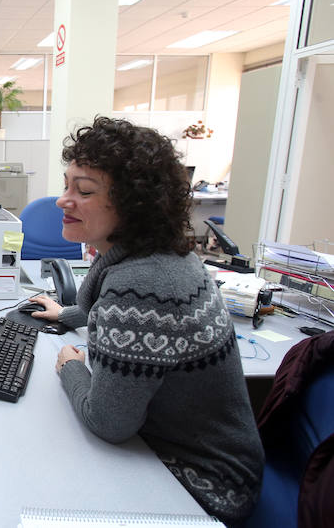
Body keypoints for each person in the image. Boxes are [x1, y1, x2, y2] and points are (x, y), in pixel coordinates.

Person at [27, 117, 263, 525]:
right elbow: (106, 306)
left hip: (203, 485)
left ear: (133, 205)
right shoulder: (159, 255)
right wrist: (65, 314)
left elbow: (108, 422)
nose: (63, 200)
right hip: (179, 450)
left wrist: (70, 368)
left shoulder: (142, 285)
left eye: (83, 190)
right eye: (67, 185)